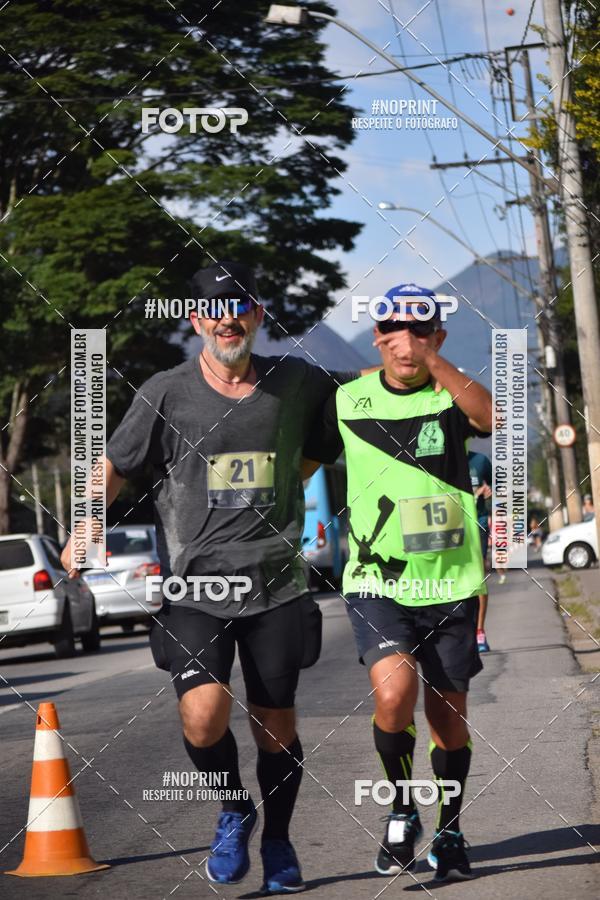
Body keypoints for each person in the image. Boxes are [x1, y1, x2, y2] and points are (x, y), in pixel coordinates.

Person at [61, 261, 374, 894]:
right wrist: (85, 525)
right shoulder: (166, 392)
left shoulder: (298, 381)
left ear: (257, 316)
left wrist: (424, 361)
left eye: (241, 309)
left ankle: (281, 841)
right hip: (195, 585)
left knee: (275, 725)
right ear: (197, 320)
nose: (228, 320)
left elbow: (367, 387)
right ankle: (233, 808)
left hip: (276, 584)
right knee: (203, 718)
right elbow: (114, 463)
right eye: (214, 311)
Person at [304, 284, 492, 883]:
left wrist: (430, 359)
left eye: (421, 333)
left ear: (438, 337)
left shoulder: (451, 395)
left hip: (452, 582)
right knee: (393, 694)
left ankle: (450, 827)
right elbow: (304, 456)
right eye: (393, 333)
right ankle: (401, 807)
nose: (405, 345)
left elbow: (492, 418)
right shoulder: (349, 399)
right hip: (374, 580)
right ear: (377, 337)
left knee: (448, 716)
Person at [468, 450, 492, 652]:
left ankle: (479, 632)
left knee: (478, 577)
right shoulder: (442, 459)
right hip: (453, 526)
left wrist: (490, 489)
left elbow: (499, 486)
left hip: (479, 524)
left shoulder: (480, 461)